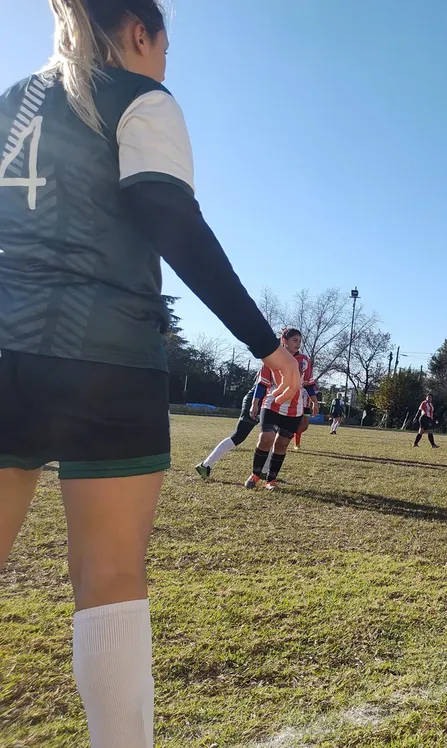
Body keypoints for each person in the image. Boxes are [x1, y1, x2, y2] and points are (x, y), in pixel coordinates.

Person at [0, 3, 301, 745]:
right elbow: (172, 221)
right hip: (105, 360)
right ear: (139, 32)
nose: (167, 66)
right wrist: (267, 342)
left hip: (5, 352)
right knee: (107, 581)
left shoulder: (10, 103)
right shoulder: (141, 98)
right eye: (166, 50)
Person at [246, 328, 317, 490]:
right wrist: (254, 403)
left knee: (282, 444)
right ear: (284, 341)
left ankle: (271, 481)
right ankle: (255, 474)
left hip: (295, 408)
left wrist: (314, 401)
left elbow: (309, 383)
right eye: (294, 340)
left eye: (299, 341)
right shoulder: (272, 357)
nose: (298, 343)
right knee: (266, 438)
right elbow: (262, 383)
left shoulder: (304, 360)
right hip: (273, 402)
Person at [195, 384, 261, 479]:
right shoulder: (268, 369)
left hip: (267, 403)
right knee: (238, 436)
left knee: (271, 436)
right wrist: (254, 404)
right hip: (256, 401)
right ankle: (205, 465)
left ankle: (265, 471)